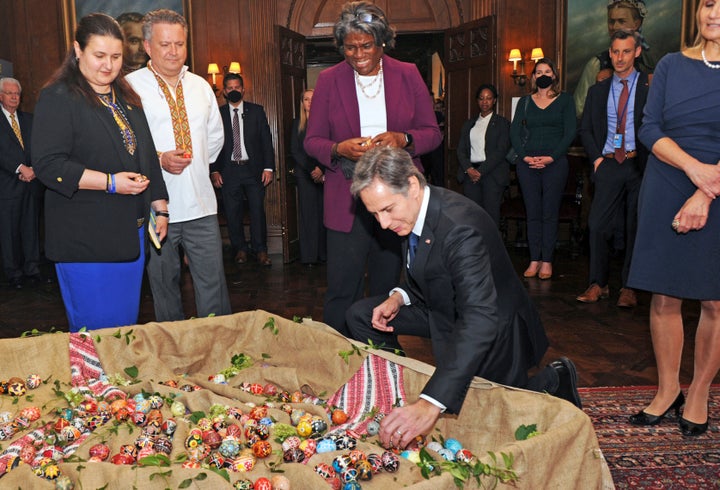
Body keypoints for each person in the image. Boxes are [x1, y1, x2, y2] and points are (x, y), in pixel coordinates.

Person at [346, 146, 581, 449]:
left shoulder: (460, 228)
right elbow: (426, 265)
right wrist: (399, 296)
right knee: (361, 315)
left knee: (495, 419)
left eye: (387, 209)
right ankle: (403, 392)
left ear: (413, 186)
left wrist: (431, 403)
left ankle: (554, 378)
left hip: (494, 327)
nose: (382, 223)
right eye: (374, 213)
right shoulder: (414, 211)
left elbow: (480, 317)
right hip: (446, 311)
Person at [304, 1, 442, 335]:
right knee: (341, 288)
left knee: (386, 286)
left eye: (366, 46)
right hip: (346, 199)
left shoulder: (407, 74)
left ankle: (380, 359)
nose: (358, 54)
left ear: (382, 43)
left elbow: (432, 133)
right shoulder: (328, 80)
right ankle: (337, 358)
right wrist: (339, 148)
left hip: (396, 200)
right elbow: (313, 141)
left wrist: (403, 139)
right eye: (350, 47)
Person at [31, 13, 169, 331]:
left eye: (116, 57)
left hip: (130, 235)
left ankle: (118, 381)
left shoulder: (127, 98)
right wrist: (110, 183)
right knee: (95, 334)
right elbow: (49, 165)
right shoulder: (58, 97)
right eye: (99, 55)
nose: (108, 65)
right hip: (85, 240)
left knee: (123, 330)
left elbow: (146, 155)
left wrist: (160, 207)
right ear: (78, 51)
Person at [626, 1, 720, 437]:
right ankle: (667, 389)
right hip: (667, 180)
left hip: (718, 186)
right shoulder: (668, 64)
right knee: (663, 296)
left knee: (714, 300)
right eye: (708, 3)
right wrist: (694, 170)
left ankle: (699, 389)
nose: (713, 13)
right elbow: (648, 128)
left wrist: (706, 188)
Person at [126, 9, 231, 322]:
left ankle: (220, 351)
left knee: (213, 286)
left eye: (179, 44)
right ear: (147, 46)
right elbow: (124, 145)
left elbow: (215, 140)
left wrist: (194, 165)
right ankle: (173, 356)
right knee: (164, 287)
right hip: (155, 210)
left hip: (202, 205)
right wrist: (159, 159)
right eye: (165, 44)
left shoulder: (201, 86)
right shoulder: (129, 88)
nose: (173, 51)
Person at [577, 30, 650, 309]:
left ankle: (629, 287)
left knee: (634, 227)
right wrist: (596, 159)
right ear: (610, 53)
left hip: (638, 165)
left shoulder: (649, 86)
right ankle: (598, 283)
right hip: (608, 164)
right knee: (597, 226)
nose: (620, 58)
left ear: (637, 52)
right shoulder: (598, 91)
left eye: (626, 52)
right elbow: (585, 129)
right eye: (616, 52)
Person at [509, 57, 576, 280]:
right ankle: (534, 259)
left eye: (547, 71)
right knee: (533, 212)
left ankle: (547, 261)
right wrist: (526, 156)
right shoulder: (525, 102)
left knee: (549, 212)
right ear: (533, 77)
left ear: (554, 76)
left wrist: (551, 157)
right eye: (539, 72)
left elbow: (569, 133)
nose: (543, 75)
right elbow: (514, 133)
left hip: (555, 165)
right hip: (527, 165)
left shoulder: (565, 100)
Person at [211, 73, 275, 267]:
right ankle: (240, 249)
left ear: (243, 89)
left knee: (257, 211)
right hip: (228, 171)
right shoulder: (218, 114)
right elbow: (211, 144)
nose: (233, 91)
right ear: (224, 91)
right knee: (232, 213)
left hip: (253, 170)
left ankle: (261, 250)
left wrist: (269, 167)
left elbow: (266, 141)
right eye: (229, 88)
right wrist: (214, 170)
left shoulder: (256, 111)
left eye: (237, 87)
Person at [0, 77, 45, 289]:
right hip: (8, 185)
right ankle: (13, 273)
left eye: (16, 93)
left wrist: (34, 169)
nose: (14, 97)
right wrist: (20, 168)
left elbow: (40, 146)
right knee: (9, 232)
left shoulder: (30, 119)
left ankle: (33, 269)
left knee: (31, 228)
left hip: (31, 183)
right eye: (9, 93)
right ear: (1, 96)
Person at [574, 0, 654, 118]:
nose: (615, 27)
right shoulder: (596, 64)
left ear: (636, 24)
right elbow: (579, 111)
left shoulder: (648, 63)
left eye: (621, 21)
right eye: (611, 21)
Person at [456, 84, 510, 226]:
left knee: (491, 217)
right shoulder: (469, 124)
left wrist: (480, 172)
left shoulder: (502, 123)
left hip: (492, 174)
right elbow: (461, 150)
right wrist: (469, 169)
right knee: (472, 216)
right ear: (477, 101)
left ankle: (491, 248)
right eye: (481, 98)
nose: (484, 102)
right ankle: (474, 247)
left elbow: (501, 151)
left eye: (488, 98)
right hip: (470, 175)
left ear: (494, 101)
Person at [289, 88, 326, 266]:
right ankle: (309, 257)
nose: (309, 102)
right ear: (302, 103)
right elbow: (295, 151)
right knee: (308, 216)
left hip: (326, 175)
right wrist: (313, 169)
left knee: (324, 215)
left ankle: (324, 255)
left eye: (313, 98)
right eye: (306, 99)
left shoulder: (326, 123)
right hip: (305, 175)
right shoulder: (297, 124)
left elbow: (330, 147)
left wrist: (322, 169)